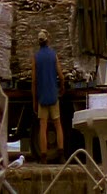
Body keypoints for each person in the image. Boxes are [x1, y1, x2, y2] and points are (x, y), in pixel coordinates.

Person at [31, 29, 65, 164]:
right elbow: (61, 75)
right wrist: (62, 85)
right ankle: (61, 154)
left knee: (43, 127)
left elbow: (33, 81)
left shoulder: (36, 57)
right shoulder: (53, 55)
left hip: (42, 97)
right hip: (53, 95)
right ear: (48, 40)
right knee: (58, 124)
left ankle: (43, 156)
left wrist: (34, 99)